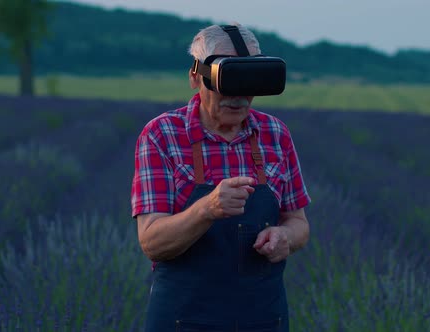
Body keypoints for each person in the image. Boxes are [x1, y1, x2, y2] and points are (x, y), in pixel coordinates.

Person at [131, 23, 311, 332]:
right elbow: (152, 242)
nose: (238, 97)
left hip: (263, 319)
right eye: (228, 81)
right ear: (195, 77)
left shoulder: (275, 134)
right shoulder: (162, 135)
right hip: (183, 320)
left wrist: (286, 238)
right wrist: (206, 209)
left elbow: (298, 223)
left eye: (250, 80)